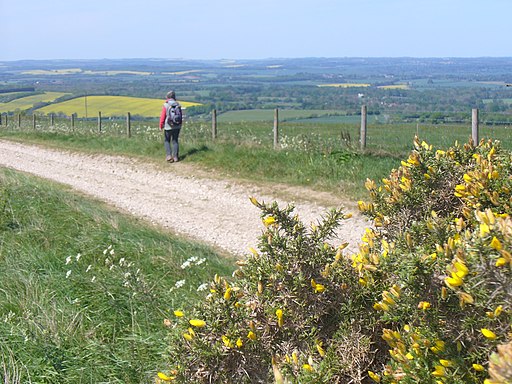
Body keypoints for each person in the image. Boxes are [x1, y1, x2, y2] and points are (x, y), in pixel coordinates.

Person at [159, 90, 182, 162]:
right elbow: (180, 116)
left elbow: (163, 116)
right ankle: (175, 157)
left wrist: (161, 125)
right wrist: (180, 124)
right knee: (175, 141)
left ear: (167, 97)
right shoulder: (178, 104)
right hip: (177, 125)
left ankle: (169, 155)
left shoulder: (166, 105)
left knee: (167, 140)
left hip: (168, 125)